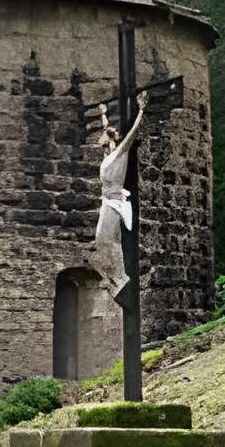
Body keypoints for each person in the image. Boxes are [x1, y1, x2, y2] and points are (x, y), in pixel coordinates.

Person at [89, 100, 146, 302]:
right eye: (103, 145)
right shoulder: (108, 155)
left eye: (106, 143)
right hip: (107, 200)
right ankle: (116, 278)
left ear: (113, 142)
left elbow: (132, 133)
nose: (104, 147)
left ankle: (120, 278)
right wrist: (103, 113)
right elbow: (106, 129)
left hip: (115, 202)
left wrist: (141, 109)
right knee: (104, 239)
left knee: (107, 240)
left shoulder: (120, 153)